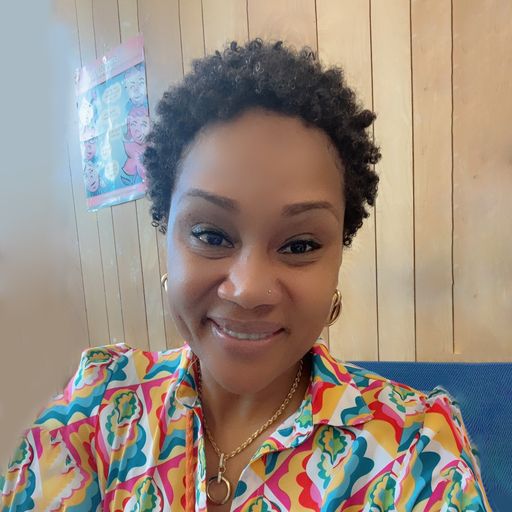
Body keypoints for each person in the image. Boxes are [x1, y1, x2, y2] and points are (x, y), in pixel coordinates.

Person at [0, 39, 491, 511]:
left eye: (300, 245)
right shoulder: (97, 407)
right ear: (167, 234)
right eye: (211, 235)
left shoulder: (415, 454)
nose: (249, 290)